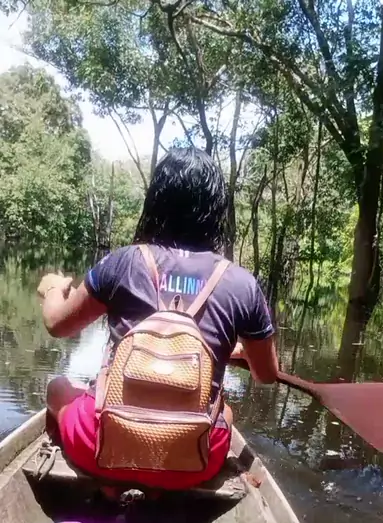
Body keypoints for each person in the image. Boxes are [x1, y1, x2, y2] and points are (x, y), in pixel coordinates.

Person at [38, 147, 279, 489]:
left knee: (58, 388)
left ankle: (110, 482)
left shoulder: (123, 262)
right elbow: (266, 375)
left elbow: (56, 324)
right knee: (225, 413)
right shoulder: (242, 284)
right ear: (217, 211)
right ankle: (158, 488)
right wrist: (232, 351)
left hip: (100, 448)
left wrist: (52, 289)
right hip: (195, 461)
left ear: (156, 201)